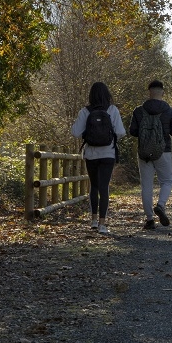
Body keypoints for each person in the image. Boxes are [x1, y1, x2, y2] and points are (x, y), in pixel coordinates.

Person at [71, 82, 126, 234]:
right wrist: (110, 137)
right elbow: (121, 132)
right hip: (108, 153)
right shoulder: (112, 110)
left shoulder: (85, 111)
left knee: (94, 186)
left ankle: (93, 220)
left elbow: (75, 132)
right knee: (104, 187)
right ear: (107, 94)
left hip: (91, 154)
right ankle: (103, 224)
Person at [129, 80, 172, 229]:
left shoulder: (139, 111)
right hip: (163, 151)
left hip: (144, 152)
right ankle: (161, 205)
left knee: (146, 185)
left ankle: (149, 219)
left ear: (149, 92)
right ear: (162, 93)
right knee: (167, 181)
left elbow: (132, 131)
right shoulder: (170, 111)